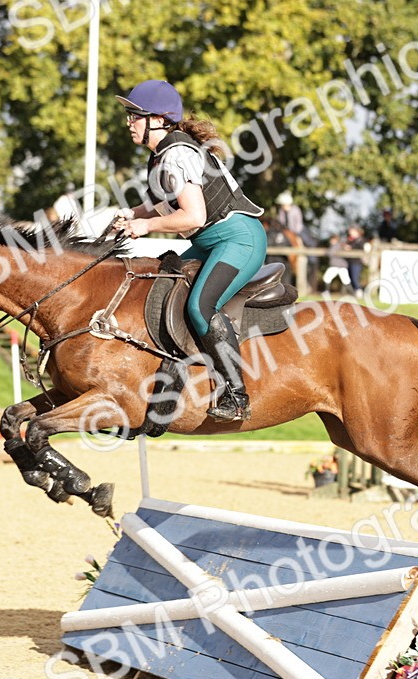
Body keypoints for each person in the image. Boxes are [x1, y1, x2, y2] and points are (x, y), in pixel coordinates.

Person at [113, 79, 266, 423]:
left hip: (238, 239)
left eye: (134, 115)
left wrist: (145, 226)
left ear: (158, 119)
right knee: (160, 287)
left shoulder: (178, 153)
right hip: (212, 240)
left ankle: (236, 396)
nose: (129, 122)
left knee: (199, 306)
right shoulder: (162, 155)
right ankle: (168, 392)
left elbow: (193, 215)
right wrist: (133, 215)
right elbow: (162, 204)